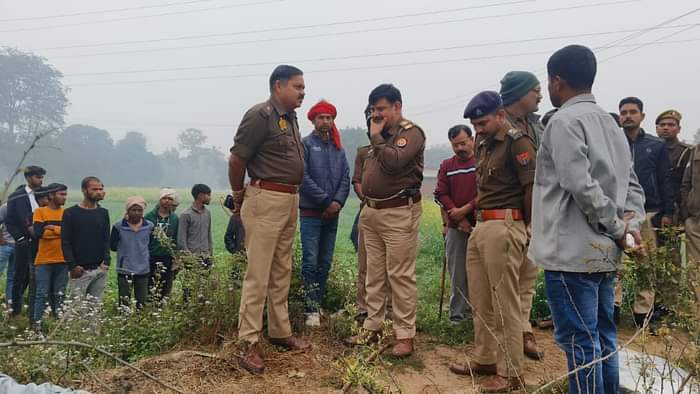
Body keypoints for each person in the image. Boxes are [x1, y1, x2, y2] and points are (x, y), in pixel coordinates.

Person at [530, 44, 646, 394]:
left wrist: (618, 227)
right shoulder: (611, 126)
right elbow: (633, 188)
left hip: (571, 254)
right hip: (604, 254)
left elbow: (580, 185)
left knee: (581, 342)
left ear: (557, 81)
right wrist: (630, 227)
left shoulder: (564, 121)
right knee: (602, 337)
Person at [448, 91, 536, 393]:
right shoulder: (484, 143)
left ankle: (511, 373)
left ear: (500, 115)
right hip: (482, 225)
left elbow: (530, 187)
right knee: (481, 300)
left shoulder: (518, 142)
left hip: (505, 224)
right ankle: (485, 358)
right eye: (475, 124)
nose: (479, 129)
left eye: (483, 122)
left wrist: (528, 224)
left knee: (505, 304)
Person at [228, 64, 311, 374]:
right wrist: (239, 194)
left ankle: (279, 332)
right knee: (258, 273)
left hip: (290, 199)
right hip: (265, 200)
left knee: (281, 270)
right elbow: (237, 158)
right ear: (279, 86)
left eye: (303, 87)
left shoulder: (290, 119)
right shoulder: (260, 115)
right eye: (298, 86)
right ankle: (247, 342)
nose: (303, 92)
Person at [345, 84, 425, 358]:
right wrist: (376, 137)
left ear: (397, 107)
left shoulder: (410, 134)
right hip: (371, 212)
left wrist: (377, 137)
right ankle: (373, 326)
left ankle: (405, 335)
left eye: (381, 109)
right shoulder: (373, 140)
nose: (376, 114)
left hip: (399, 212)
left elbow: (394, 163)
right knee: (373, 274)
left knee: (400, 275)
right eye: (373, 110)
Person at [500, 70, 545, 360]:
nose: (540, 95)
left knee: (528, 276)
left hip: (538, 210)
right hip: (509, 212)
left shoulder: (538, 126)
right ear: (519, 93)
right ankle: (506, 337)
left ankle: (524, 329)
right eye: (535, 90)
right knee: (505, 280)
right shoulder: (496, 124)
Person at [619, 96, 674, 327]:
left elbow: (664, 179)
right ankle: (612, 308)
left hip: (649, 212)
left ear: (642, 116)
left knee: (645, 264)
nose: (628, 116)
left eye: (633, 112)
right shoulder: (613, 143)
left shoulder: (655, 145)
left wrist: (668, 211)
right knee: (617, 264)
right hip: (620, 214)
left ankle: (643, 313)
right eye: (624, 112)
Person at [299, 100, 350, 327]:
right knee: (310, 260)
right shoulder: (306, 144)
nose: (325, 121)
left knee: (325, 261)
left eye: (329, 118)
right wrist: (326, 201)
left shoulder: (338, 149)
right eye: (321, 117)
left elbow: (345, 178)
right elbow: (303, 177)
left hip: (333, 215)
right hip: (311, 213)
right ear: (313, 120)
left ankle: (318, 304)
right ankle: (310, 309)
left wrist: (337, 202)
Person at [434, 125, 477, 323]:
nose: (459, 148)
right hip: (456, 226)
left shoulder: (482, 162)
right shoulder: (447, 166)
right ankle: (458, 316)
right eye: (455, 145)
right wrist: (458, 218)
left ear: (472, 139)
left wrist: (466, 210)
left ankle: (480, 316)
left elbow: (487, 191)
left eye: (463, 143)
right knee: (458, 271)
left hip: (483, 223)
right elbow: (441, 193)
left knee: (482, 272)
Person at [62, 176, 111, 307]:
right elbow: (65, 241)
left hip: (99, 269)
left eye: (101, 189)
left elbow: (106, 238)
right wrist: (72, 266)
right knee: (76, 308)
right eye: (94, 189)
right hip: (80, 270)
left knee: (95, 307)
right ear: (84, 190)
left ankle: (94, 329)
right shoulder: (70, 213)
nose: (99, 192)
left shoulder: (103, 213)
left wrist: (106, 262)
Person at [5, 165, 45, 317]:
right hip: (24, 241)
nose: (40, 180)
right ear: (28, 178)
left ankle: (33, 312)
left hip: (42, 243)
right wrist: (19, 238)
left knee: (36, 277)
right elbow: (10, 220)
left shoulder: (45, 194)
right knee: (19, 276)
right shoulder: (17, 196)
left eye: (41, 177)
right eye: (37, 177)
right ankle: (14, 311)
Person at [32, 183, 68, 326]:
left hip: (63, 259)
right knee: (41, 294)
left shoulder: (66, 213)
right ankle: (37, 325)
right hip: (44, 260)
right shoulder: (40, 212)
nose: (64, 197)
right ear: (51, 195)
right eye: (61, 194)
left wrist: (52, 228)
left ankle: (58, 325)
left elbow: (69, 234)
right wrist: (60, 231)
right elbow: (39, 233)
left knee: (59, 294)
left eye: (65, 194)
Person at [111, 197, 154, 309]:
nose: (136, 213)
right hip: (125, 269)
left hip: (143, 269)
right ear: (127, 211)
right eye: (133, 210)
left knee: (142, 302)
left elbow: (151, 244)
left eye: (139, 210)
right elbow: (113, 246)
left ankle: (140, 323)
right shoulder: (119, 226)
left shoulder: (149, 226)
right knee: (124, 302)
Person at [656, 109, 692, 225]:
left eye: (671, 125)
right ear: (657, 128)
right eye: (662, 125)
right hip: (653, 205)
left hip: (677, 208)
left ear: (679, 129)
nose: (666, 128)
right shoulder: (649, 149)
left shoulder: (687, 151)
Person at [144, 188, 179, 301]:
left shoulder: (174, 218)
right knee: (150, 286)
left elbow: (176, 238)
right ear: (159, 200)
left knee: (165, 287)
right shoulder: (149, 217)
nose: (167, 201)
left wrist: (177, 257)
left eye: (170, 198)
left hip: (168, 257)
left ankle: (161, 309)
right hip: (151, 256)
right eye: (164, 198)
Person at [177, 184, 213, 266]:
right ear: (201, 196)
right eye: (208, 195)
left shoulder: (207, 213)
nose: (210, 198)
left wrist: (210, 254)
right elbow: (181, 239)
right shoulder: (186, 214)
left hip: (206, 257)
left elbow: (209, 235)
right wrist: (188, 256)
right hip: (191, 258)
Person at [0, 201, 16, 304]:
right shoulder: (6, 207)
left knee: (13, 276)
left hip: (19, 246)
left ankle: (9, 303)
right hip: (4, 245)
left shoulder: (29, 205)